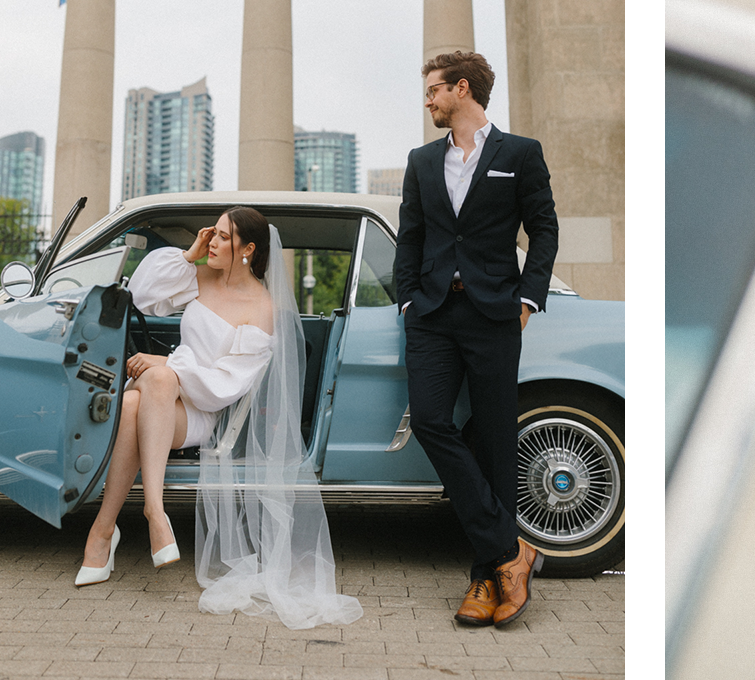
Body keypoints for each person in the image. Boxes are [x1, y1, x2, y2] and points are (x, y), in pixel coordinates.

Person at [78, 208, 362, 629]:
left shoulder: (262, 308)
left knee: (141, 396)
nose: (211, 241)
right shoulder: (201, 276)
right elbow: (142, 294)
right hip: (165, 394)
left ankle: (106, 531)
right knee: (148, 392)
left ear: (248, 249)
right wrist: (187, 256)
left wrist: (170, 365)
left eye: (224, 237)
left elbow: (227, 384)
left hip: (202, 410)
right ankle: (150, 513)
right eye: (212, 233)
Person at [395, 50, 560, 628]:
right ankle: (511, 551)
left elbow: (544, 230)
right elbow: (411, 236)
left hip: (494, 314)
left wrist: (528, 299)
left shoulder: (520, 154)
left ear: (462, 89)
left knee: (494, 441)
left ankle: (485, 580)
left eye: (434, 90)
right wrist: (409, 300)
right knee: (430, 420)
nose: (428, 101)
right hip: (432, 314)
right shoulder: (421, 161)